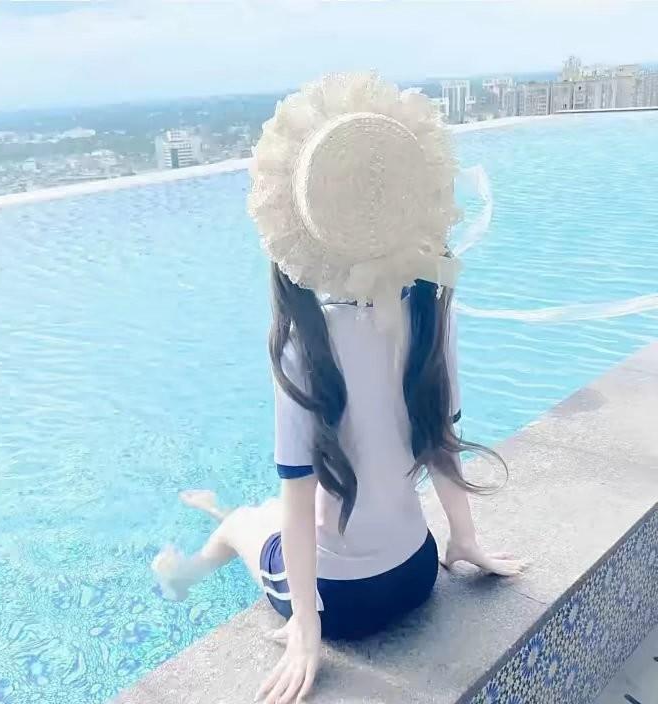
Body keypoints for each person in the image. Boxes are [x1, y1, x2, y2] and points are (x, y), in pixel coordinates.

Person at [152, 73, 525, 704]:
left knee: (249, 523)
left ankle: (187, 572)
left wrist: (307, 628)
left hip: (342, 603)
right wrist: (464, 540)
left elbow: (299, 503)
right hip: (416, 572)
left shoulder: (307, 342)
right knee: (281, 513)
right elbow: (441, 442)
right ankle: (223, 519)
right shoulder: (431, 310)